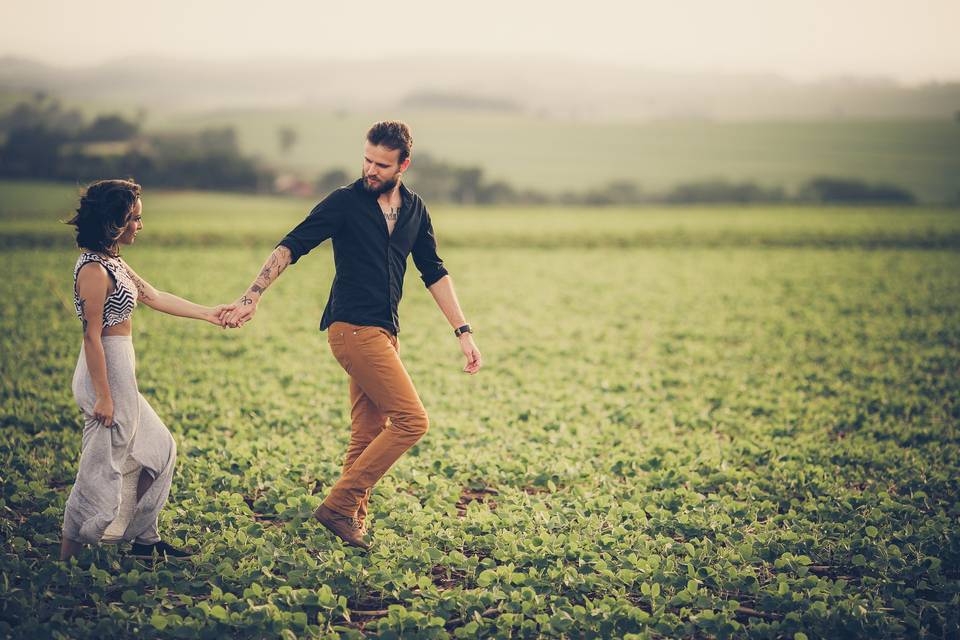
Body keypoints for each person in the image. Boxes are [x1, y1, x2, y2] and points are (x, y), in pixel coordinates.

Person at [220, 121, 482, 550]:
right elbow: (292, 245)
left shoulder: (415, 210)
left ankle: (351, 523)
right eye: (367, 160)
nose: (370, 170)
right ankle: (340, 505)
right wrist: (252, 295)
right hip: (352, 329)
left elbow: (433, 270)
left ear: (404, 164)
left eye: (381, 164)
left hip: (384, 331)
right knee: (412, 421)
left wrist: (463, 331)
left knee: (367, 432)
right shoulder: (344, 202)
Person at [61, 179, 228, 561]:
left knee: (160, 448)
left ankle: (143, 540)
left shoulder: (113, 261)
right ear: (113, 222)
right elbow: (91, 337)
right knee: (100, 468)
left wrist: (210, 313)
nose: (140, 225)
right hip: (103, 373)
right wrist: (104, 396)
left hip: (121, 372)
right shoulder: (93, 270)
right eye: (134, 218)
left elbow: (153, 296)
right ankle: (66, 559)